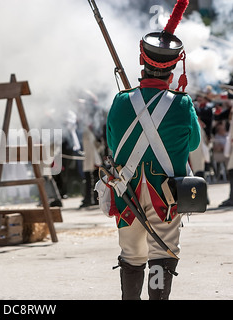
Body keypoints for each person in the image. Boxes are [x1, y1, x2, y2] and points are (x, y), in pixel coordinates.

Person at [105, 0, 201, 300]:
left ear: (142, 59)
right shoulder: (182, 104)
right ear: (173, 66)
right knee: (164, 250)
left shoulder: (121, 101)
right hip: (166, 193)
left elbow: (111, 144)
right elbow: (194, 143)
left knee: (131, 254)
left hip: (127, 192)